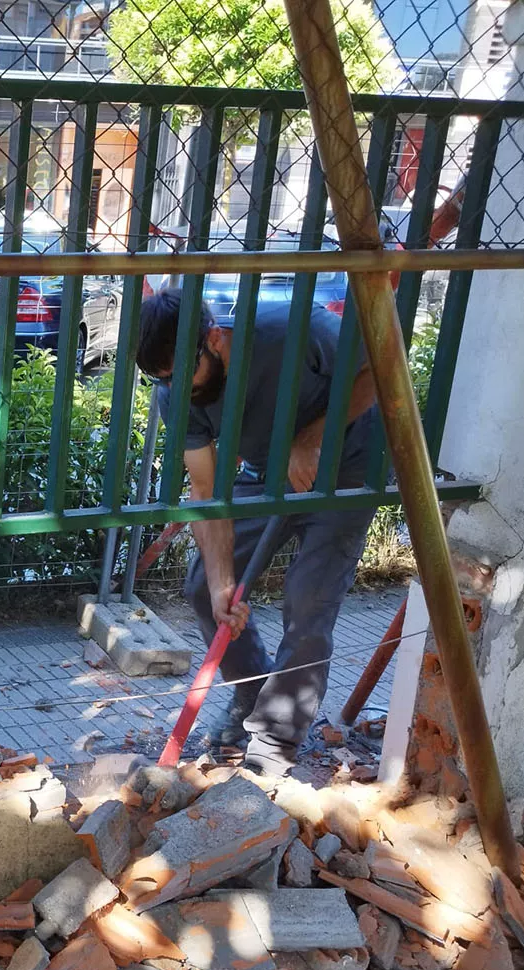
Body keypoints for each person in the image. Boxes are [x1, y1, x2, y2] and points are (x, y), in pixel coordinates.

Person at [135, 289, 379, 778]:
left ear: (216, 340)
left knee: (309, 599)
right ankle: (251, 698)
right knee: (205, 586)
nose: (176, 389)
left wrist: (313, 439)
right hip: (270, 469)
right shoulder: (174, 391)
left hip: (351, 463)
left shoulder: (291, 330)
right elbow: (206, 489)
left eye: (185, 374)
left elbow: (376, 371)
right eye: (163, 379)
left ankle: (275, 738)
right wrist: (225, 580)